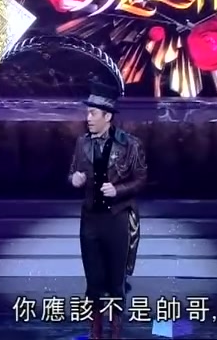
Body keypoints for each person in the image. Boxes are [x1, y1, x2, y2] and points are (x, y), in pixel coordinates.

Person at [69, 81, 147, 339]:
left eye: (93, 113)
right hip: (90, 220)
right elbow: (72, 172)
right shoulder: (82, 143)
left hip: (117, 219)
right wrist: (74, 179)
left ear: (107, 116)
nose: (88, 118)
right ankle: (95, 332)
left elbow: (140, 179)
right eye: (87, 113)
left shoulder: (130, 145)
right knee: (93, 281)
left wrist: (118, 190)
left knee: (115, 281)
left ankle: (115, 332)